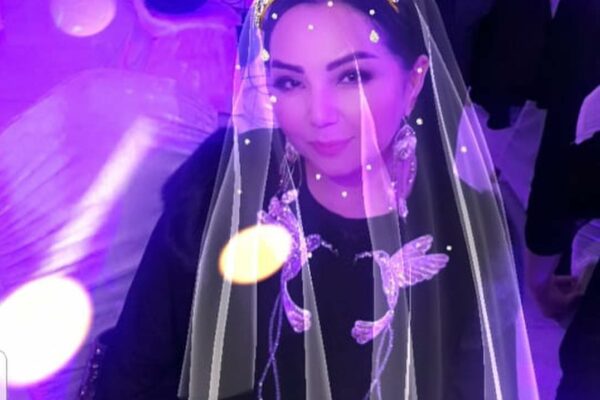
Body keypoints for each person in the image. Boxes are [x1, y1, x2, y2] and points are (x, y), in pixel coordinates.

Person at [94, 0, 533, 399]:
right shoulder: (222, 182)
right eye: (291, 82)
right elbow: (137, 367)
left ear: (413, 81)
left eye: (352, 76)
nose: (319, 114)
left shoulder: (469, 235)